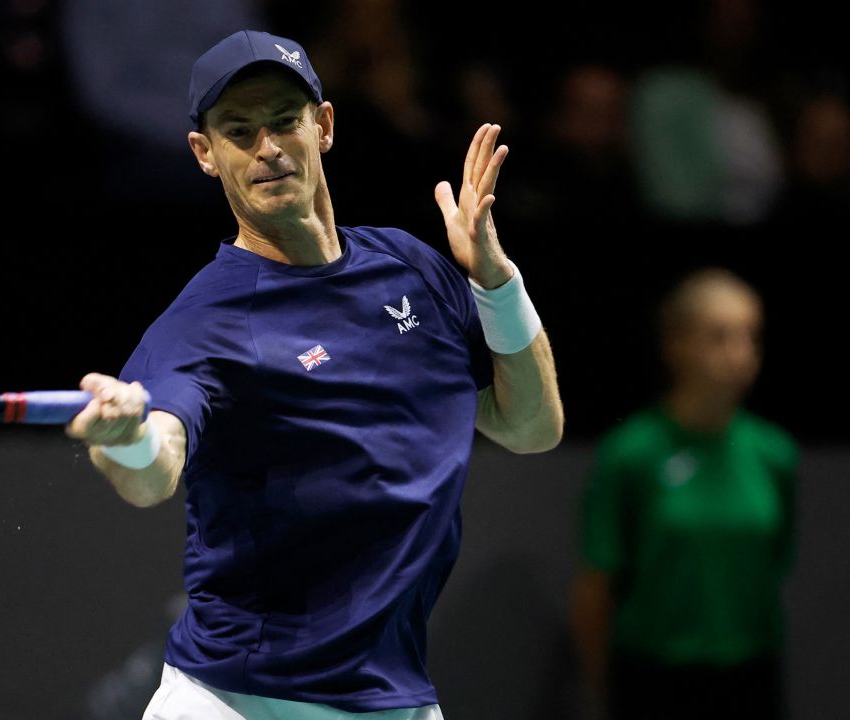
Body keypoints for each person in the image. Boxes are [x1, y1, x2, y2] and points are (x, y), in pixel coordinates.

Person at [65, 30, 563, 718]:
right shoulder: (204, 323)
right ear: (204, 154)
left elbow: (531, 427)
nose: (266, 148)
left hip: (394, 697)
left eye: (283, 120)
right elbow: (154, 470)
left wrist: (495, 283)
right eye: (238, 130)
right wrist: (124, 438)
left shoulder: (414, 269)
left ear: (322, 126)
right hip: (237, 701)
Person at [571, 268, 798, 720]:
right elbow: (596, 586)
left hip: (751, 676)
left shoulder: (775, 454)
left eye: (750, 336)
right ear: (674, 345)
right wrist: (609, 687)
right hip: (656, 680)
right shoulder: (632, 454)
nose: (740, 354)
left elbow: (776, 563)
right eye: (719, 337)